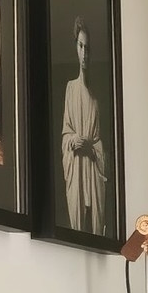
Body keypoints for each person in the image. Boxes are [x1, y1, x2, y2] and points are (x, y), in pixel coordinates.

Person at [61, 16, 107, 234]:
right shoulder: (70, 89)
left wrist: (91, 148)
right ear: (75, 48)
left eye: (88, 48)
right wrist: (73, 140)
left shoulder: (98, 97)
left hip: (92, 167)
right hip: (77, 166)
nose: (84, 53)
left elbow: (101, 144)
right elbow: (65, 133)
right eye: (81, 46)